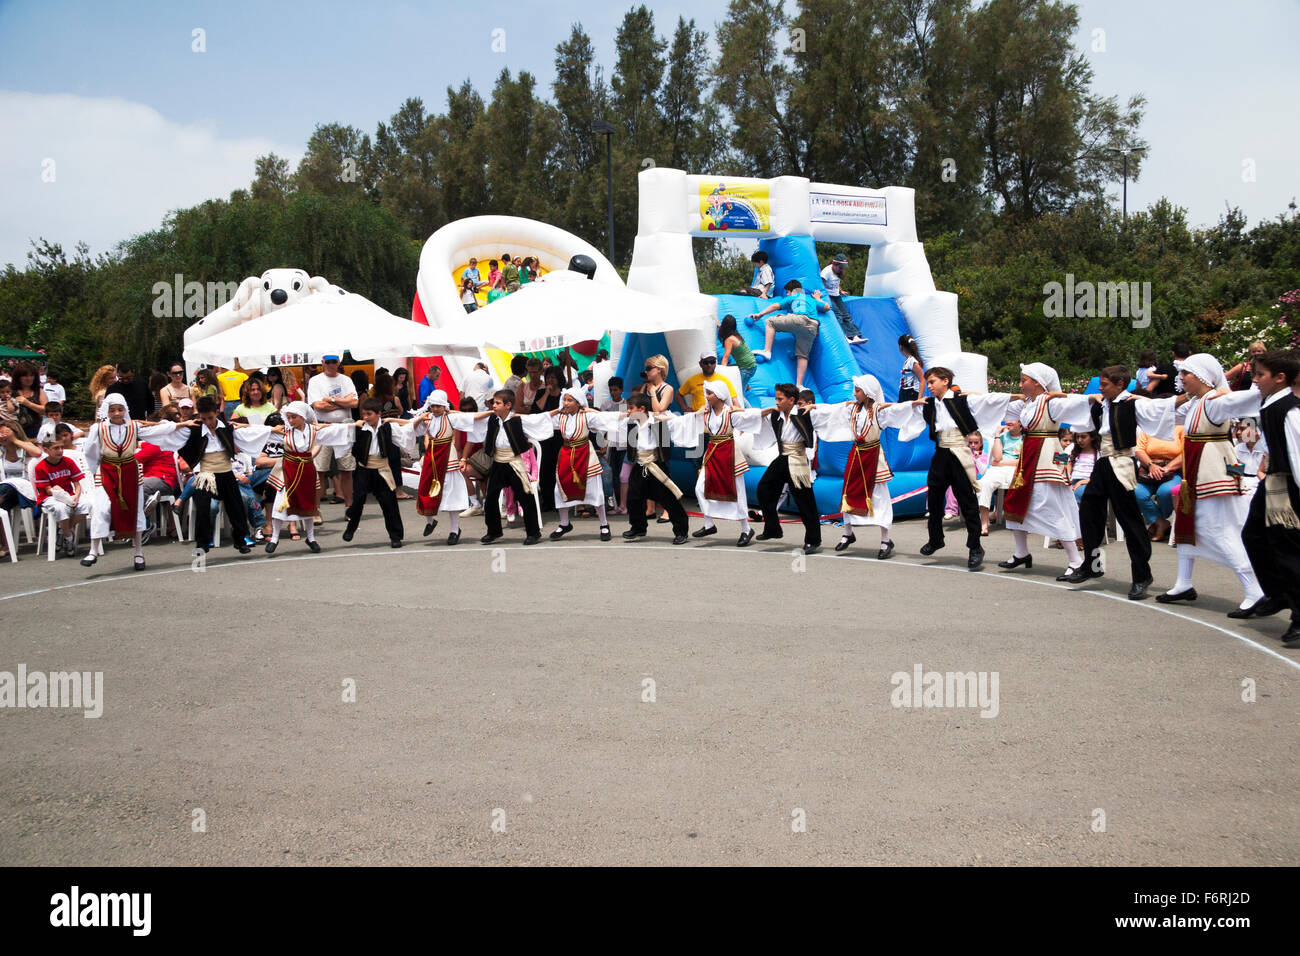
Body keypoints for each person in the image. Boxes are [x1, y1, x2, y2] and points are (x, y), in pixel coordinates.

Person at [1148, 354, 1265, 614]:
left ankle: (1254, 590)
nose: (1180, 378)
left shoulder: (1213, 400)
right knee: (1187, 526)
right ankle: (1183, 583)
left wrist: (1259, 381)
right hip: (1197, 475)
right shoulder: (1197, 402)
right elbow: (1167, 412)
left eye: (1186, 374)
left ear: (1202, 376)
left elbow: (1245, 401)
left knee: (1219, 530)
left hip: (1213, 477)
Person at [1062, 365, 1176, 600]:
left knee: (1130, 520)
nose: (1100, 388)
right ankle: (1093, 566)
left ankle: (1142, 575)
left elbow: (1165, 406)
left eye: (1104, 385)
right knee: (1089, 512)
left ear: (1120, 385)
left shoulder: (1132, 403)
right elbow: (1074, 405)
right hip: (1103, 462)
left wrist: (1194, 395)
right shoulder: (1103, 403)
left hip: (1121, 462)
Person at [893, 367, 1010, 570]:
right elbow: (904, 411)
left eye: (932, 382)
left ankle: (975, 547)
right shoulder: (929, 404)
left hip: (959, 451)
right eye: (928, 382)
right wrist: (910, 403)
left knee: (967, 500)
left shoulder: (962, 399)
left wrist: (1018, 397)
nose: (929, 386)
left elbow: (989, 401)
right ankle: (936, 538)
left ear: (945, 381)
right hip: (941, 452)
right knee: (935, 498)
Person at [993, 363, 1086, 579]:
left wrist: (1063, 395)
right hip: (1028, 457)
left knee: (1052, 506)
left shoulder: (1051, 402)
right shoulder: (1029, 403)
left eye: (1024, 380)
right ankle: (1021, 552)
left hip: (1047, 458)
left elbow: (1076, 405)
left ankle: (1076, 559)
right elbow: (997, 403)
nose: (1020, 384)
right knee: (1014, 501)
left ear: (1037, 383)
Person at [804, 374, 909, 557]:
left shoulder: (878, 411)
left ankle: (885, 540)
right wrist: (814, 406)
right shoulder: (851, 409)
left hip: (874, 458)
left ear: (868, 393)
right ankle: (848, 533)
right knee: (849, 492)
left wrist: (915, 404)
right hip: (857, 455)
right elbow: (832, 410)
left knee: (879, 496)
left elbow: (899, 410)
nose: (854, 394)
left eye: (858, 390)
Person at [81, 395, 187, 570]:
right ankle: (93, 550)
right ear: (106, 411)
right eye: (112, 410)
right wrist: (93, 472)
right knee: (101, 507)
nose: (116, 413)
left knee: (135, 511)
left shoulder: (133, 427)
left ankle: (138, 552)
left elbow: (157, 431)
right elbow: (90, 452)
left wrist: (180, 425)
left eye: (120, 409)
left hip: (130, 472)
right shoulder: (98, 429)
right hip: (108, 471)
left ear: (125, 410)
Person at [1239, 350, 1300, 645]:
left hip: (1287, 485)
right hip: (1272, 482)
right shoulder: (1270, 404)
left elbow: (1297, 454)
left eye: (1260, 375)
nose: (1255, 380)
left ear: (1280, 378)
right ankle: (1277, 593)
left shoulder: (1290, 409)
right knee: (1253, 535)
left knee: (1286, 548)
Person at [447, 389, 554, 544]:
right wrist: (448, 411)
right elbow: (469, 419)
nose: (494, 406)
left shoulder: (518, 419)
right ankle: (494, 531)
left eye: (497, 403)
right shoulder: (491, 420)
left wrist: (558, 410)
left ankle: (533, 532)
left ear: (508, 405)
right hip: (498, 462)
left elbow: (540, 419)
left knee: (525, 497)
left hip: (514, 462)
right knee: (490, 498)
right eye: (494, 403)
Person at [671, 381, 764, 546]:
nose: (706, 396)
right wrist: (666, 418)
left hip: (729, 456)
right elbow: (687, 421)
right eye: (706, 393)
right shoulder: (706, 413)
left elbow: (752, 417)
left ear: (720, 395)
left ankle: (746, 529)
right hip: (712, 455)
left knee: (737, 492)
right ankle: (709, 524)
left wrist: (771, 409)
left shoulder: (731, 413)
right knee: (700, 488)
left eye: (709, 393)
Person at [177, 396, 274, 554]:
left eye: (210, 417)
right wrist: (181, 423)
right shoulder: (194, 429)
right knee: (203, 508)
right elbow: (168, 431)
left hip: (226, 472)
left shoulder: (227, 428)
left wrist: (272, 430)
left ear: (216, 412)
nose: (208, 422)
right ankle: (202, 543)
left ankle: (240, 540)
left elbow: (250, 432)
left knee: (236, 507)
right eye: (204, 418)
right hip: (206, 474)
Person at [263, 402, 352, 553]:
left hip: (306, 469)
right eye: (288, 417)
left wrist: (354, 424)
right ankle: (274, 538)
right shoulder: (284, 431)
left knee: (308, 505)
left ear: (303, 417)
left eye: (294, 417)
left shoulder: (314, 430)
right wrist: (240, 427)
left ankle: (311, 538)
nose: (290, 421)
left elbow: (333, 431)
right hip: (288, 470)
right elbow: (261, 432)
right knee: (280, 504)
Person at [749, 383, 823, 552]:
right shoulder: (776, 415)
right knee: (764, 488)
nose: (777, 402)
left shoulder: (805, 414)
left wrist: (815, 406)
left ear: (792, 400)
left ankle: (813, 539)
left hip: (797, 459)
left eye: (780, 399)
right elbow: (753, 417)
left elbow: (830, 412)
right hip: (783, 458)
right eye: (776, 398)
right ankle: (772, 528)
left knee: (805, 500)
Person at [618, 392, 689, 544]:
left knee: (668, 499)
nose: (628, 411)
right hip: (640, 464)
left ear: (642, 409)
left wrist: (669, 418)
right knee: (633, 498)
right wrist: (588, 410)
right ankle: (638, 527)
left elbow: (680, 421)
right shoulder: (631, 423)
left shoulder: (658, 421)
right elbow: (605, 419)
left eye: (631, 408)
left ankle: (681, 530)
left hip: (656, 464)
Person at [545, 386, 613, 541]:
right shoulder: (560, 417)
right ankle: (564, 523)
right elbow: (541, 420)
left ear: (579, 402)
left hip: (585, 456)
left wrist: (590, 411)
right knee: (559, 490)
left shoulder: (586, 416)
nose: (566, 403)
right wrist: (557, 411)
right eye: (565, 400)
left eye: (570, 400)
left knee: (595, 491)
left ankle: (604, 524)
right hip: (566, 456)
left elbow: (605, 419)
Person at [401, 391, 470, 545]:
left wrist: (492, 412)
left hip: (448, 458)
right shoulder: (428, 418)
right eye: (433, 405)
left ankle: (454, 529)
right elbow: (408, 425)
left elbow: (470, 417)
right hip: (431, 458)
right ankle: (430, 521)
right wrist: (387, 419)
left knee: (450, 493)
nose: (435, 408)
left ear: (445, 405)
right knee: (425, 489)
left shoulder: (451, 417)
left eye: (439, 405)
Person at [339, 398, 407, 547]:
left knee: (389, 503)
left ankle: (395, 536)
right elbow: (337, 432)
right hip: (363, 468)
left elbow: (409, 428)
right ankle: (351, 528)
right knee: (357, 500)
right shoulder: (358, 427)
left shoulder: (388, 427)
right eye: (364, 414)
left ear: (379, 414)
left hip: (382, 468)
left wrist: (394, 419)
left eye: (369, 414)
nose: (365, 417)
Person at [746, 279, 829, 390]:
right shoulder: (810, 299)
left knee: (770, 322)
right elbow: (826, 307)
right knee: (803, 356)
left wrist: (760, 314)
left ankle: (767, 351)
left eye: (787, 292)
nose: (786, 295)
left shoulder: (794, 296)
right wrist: (818, 298)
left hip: (799, 319)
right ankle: (799, 385)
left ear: (792, 291)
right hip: (813, 326)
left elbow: (775, 305)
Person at [307, 354, 358, 507]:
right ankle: (315, 510)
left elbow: (355, 403)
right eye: (327, 362)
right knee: (319, 470)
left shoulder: (346, 380)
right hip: (323, 426)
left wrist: (332, 400)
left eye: (333, 362)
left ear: (338, 363)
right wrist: (344, 402)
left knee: (346, 469)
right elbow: (317, 406)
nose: (330, 364)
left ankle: (349, 507)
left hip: (344, 426)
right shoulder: (315, 381)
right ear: (322, 363)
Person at [33, 433, 91, 557]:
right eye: (56, 448)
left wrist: (76, 495)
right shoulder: (40, 467)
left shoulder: (68, 461)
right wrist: (56, 490)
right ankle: (69, 538)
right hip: (50, 497)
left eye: (61, 447)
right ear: (46, 450)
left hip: (68, 495)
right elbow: (47, 490)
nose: (60, 451)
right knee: (61, 508)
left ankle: (62, 531)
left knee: (86, 504)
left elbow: (77, 484)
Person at [1135, 422, 1185, 542]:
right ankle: (1161, 522)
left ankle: (1157, 523)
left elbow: (1185, 453)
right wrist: (1151, 465)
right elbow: (1139, 450)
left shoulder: (1181, 427)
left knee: (1166, 492)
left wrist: (1168, 467)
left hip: (1172, 471)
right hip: (1149, 470)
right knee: (1137, 492)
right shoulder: (1148, 428)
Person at [0, 417, 40, 559]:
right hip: (5, 492)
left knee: (6, 488)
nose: (3, 437)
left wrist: (15, 440)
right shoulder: (1, 451)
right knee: (1, 506)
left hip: (23, 489)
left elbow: (38, 453)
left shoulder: (24, 448)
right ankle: (6, 545)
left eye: (6, 433)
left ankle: (5, 545)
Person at [978, 419, 1022, 533]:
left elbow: (1022, 461)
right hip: (998, 469)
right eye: (1007, 420)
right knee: (985, 483)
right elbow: (997, 457)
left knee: (1018, 483)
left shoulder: (1026, 438)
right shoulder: (1002, 436)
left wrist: (1002, 463)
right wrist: (997, 435)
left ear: (1020, 423)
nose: (1008, 422)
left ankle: (1016, 520)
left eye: (1012, 420)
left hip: (1017, 469)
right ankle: (984, 524)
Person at [819, 253, 867, 344]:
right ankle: (844, 336)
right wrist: (822, 299)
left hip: (836, 295)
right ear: (834, 264)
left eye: (843, 268)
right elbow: (822, 286)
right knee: (839, 315)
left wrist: (841, 291)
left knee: (846, 315)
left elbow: (836, 283)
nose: (842, 269)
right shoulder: (826, 272)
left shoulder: (838, 271)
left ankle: (855, 335)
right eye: (840, 267)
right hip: (828, 296)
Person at [717, 315, 758, 399]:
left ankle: (749, 410)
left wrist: (721, 373)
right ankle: (745, 384)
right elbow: (724, 328)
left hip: (747, 368)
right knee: (730, 369)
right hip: (749, 364)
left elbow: (726, 356)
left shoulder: (729, 339)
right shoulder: (735, 334)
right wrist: (718, 324)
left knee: (738, 395)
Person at [8, 361, 48, 439]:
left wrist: (28, 403)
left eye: (31, 375)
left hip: (34, 431)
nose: (29, 378)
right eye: (25, 376)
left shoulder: (39, 391)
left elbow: (46, 410)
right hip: (14, 431)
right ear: (18, 377)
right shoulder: (10, 391)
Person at [1233, 418, 1267, 495]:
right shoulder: (1237, 449)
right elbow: (1234, 475)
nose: (1238, 432)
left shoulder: (1266, 450)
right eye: (1238, 429)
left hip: (1261, 491)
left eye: (1242, 429)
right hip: (1242, 491)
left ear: (1255, 431)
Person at [1068, 429, 1098, 503]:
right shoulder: (1071, 447)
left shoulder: (1098, 452)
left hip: (1088, 481)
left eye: (1083, 437)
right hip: (1072, 480)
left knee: (1079, 493)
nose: (1079, 440)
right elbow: (1062, 462)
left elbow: (1099, 474)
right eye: (1077, 437)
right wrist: (1068, 479)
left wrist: (1081, 482)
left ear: (1092, 437)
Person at [897, 335, 925, 402]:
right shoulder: (908, 360)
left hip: (911, 393)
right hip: (905, 391)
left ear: (900, 347)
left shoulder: (913, 361)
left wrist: (919, 399)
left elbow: (922, 380)